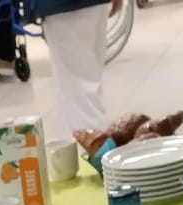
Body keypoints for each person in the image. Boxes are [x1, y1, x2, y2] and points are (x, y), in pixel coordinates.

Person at [39, 0, 123, 143]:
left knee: (78, 91)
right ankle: (97, 152)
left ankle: (91, 155)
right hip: (94, 6)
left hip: (64, 8)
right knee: (87, 84)